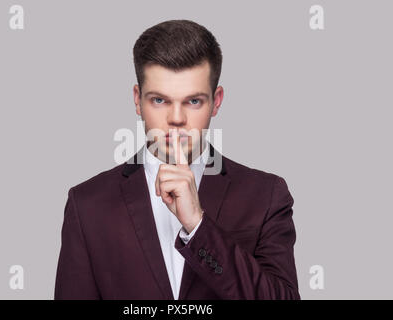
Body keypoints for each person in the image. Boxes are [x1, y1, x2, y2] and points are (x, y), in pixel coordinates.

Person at [54, 19, 300, 300]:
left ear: (216, 101)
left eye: (193, 101)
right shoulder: (87, 204)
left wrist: (198, 225)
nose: (176, 119)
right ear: (137, 99)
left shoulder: (266, 195)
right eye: (159, 100)